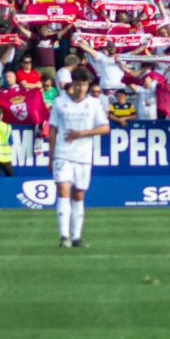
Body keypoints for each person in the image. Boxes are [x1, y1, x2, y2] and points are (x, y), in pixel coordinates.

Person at [48, 71, 110, 249]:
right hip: (62, 152)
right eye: (78, 84)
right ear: (72, 83)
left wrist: (82, 133)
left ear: (88, 85)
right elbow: (52, 129)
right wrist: (50, 156)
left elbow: (105, 128)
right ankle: (64, 236)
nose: (81, 88)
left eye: (84, 84)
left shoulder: (94, 104)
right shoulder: (60, 102)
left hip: (83, 155)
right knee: (63, 188)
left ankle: (76, 236)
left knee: (79, 194)